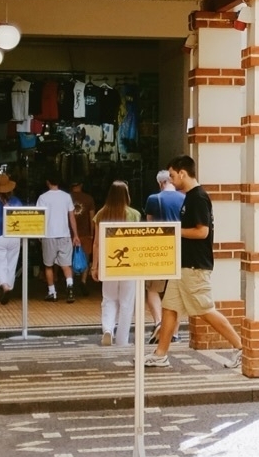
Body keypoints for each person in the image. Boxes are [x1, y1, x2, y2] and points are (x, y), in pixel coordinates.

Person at [145, 155, 244, 370]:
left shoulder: (198, 197)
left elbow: (202, 232)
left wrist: (174, 231)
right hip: (185, 265)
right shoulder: (189, 197)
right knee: (169, 308)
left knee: (205, 310)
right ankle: (160, 354)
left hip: (194, 266)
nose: (170, 180)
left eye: (172, 176)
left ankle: (241, 347)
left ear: (182, 173)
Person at [93, 181, 140, 346]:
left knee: (109, 298)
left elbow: (97, 243)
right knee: (126, 301)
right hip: (129, 264)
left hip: (108, 263)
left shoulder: (101, 214)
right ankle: (122, 339)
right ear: (126, 195)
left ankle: (107, 329)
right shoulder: (134, 214)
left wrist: (95, 266)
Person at [142, 170, 184, 323]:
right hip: (179, 249)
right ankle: (174, 331)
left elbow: (149, 225)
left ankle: (159, 322)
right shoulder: (184, 198)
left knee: (153, 289)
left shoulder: (154, 199)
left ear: (160, 183)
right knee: (177, 292)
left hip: (159, 249)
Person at [37, 175, 77, 302]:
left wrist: (39, 234)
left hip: (48, 235)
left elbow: (39, 217)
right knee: (66, 265)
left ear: (47, 181)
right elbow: (72, 217)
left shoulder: (43, 198)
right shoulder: (66, 196)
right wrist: (75, 234)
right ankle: (70, 288)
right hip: (65, 235)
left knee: (48, 266)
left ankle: (52, 292)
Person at [0, 174, 23, 304]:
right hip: (14, 236)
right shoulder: (17, 201)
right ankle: (9, 287)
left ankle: (5, 286)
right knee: (11, 263)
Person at [68, 179, 97, 294]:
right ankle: (83, 281)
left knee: (69, 259)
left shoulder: (67, 197)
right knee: (84, 258)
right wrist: (92, 233)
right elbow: (92, 218)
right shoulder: (89, 198)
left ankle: (70, 282)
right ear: (81, 185)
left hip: (69, 233)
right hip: (85, 233)